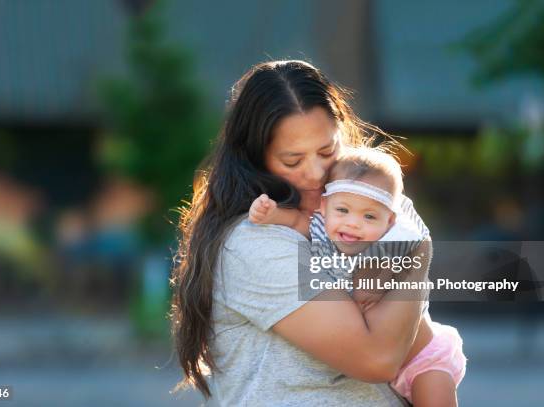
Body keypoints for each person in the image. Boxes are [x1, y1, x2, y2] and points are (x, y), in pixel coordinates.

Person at [171, 60, 432, 406]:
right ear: (256, 159)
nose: (315, 173)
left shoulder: (361, 218)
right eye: (292, 161)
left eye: (327, 151)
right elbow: (378, 358)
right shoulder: (256, 242)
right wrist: (417, 252)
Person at [249, 146, 467, 405]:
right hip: (383, 362)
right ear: (324, 206)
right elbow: (296, 221)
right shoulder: (319, 228)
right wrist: (271, 213)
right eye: (343, 211)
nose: (353, 223)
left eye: (369, 216)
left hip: (423, 360)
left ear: (389, 221)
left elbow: (416, 247)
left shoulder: (394, 239)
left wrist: (380, 278)